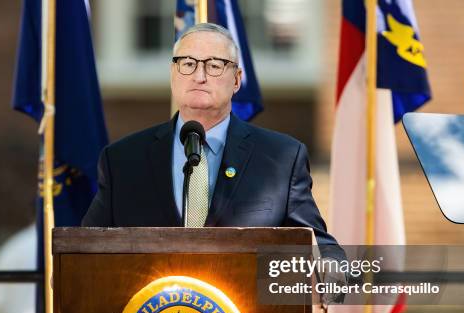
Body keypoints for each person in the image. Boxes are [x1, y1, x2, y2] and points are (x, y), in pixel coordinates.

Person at [82, 22, 340, 251]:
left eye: (215, 65)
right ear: (173, 74)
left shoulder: (282, 158)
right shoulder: (122, 160)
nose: (199, 76)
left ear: (237, 80)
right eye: (188, 63)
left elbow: (324, 251)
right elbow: (83, 252)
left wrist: (327, 272)